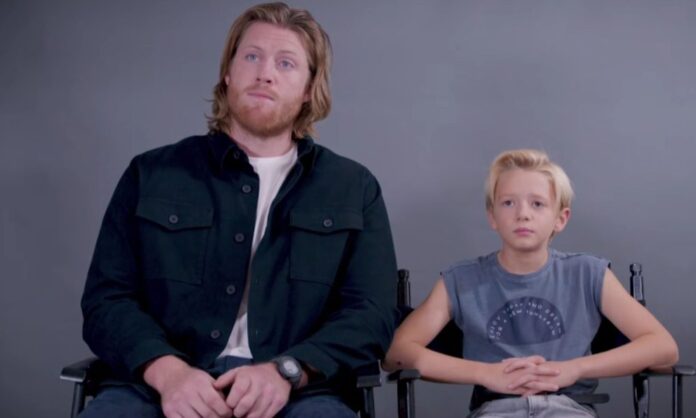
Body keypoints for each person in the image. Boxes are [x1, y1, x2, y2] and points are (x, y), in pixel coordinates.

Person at [80, 3, 398, 418]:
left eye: (286, 63)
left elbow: (372, 315)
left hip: (301, 393)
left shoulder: (353, 188)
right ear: (228, 73)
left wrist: (288, 371)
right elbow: (107, 300)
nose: (265, 73)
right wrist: (168, 373)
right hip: (157, 387)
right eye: (251, 56)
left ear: (309, 88)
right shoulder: (151, 174)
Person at [384, 149, 678, 417]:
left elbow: (663, 348)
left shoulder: (588, 274)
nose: (522, 214)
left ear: (560, 218)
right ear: (492, 216)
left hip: (569, 408)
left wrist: (574, 369)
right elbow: (396, 353)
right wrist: (485, 374)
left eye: (537, 204)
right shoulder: (461, 281)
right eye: (508, 203)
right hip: (495, 409)